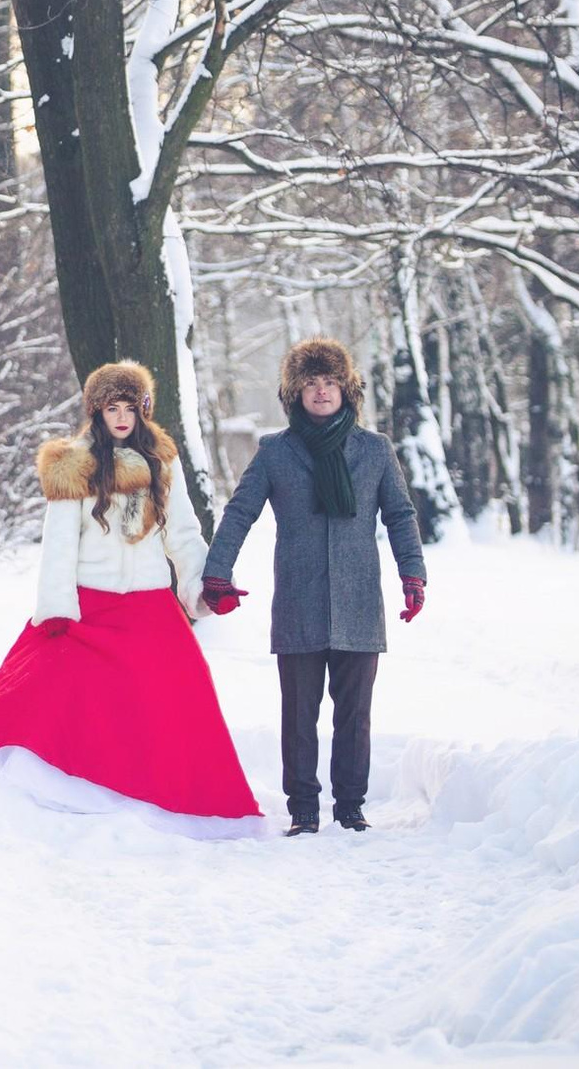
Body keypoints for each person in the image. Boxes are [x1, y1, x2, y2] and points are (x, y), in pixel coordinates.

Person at [0, 361, 261, 821]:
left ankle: (170, 801)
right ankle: (54, 789)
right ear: (97, 411)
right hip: (89, 607)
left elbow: (184, 535)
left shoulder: (163, 462)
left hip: (150, 610)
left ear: (144, 410)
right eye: (112, 407)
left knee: (173, 705)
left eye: (131, 407)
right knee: (44, 700)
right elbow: (60, 546)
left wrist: (204, 589)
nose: (122, 417)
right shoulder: (73, 464)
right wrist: (57, 610)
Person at [198, 338, 426, 836]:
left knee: (355, 715)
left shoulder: (375, 450)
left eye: (330, 382)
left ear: (347, 389)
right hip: (300, 599)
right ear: (295, 392)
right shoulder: (276, 452)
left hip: (359, 599)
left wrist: (413, 574)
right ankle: (303, 808)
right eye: (310, 383)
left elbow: (401, 515)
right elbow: (241, 512)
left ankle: (351, 806)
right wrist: (218, 573)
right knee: (299, 714)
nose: (321, 392)